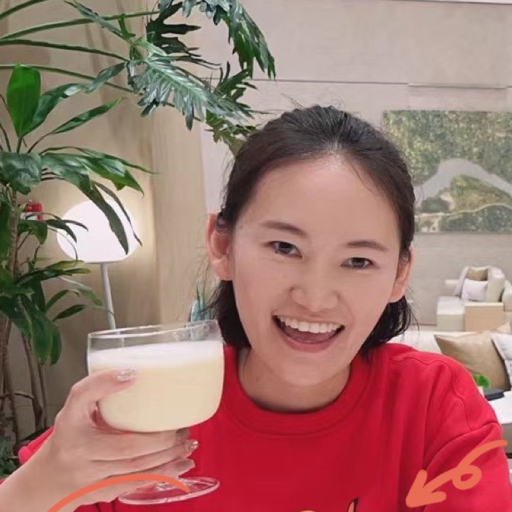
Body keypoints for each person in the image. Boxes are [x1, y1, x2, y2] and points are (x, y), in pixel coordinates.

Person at [0, 106, 511, 512]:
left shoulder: (432, 406)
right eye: (284, 247)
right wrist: (45, 481)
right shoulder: (142, 410)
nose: (315, 297)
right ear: (221, 245)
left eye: (358, 261)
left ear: (400, 273)